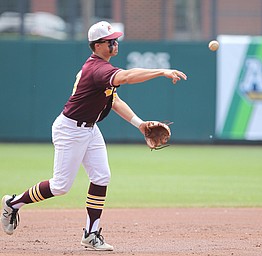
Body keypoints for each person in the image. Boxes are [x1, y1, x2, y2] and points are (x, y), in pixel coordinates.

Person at [1, 21, 187, 251]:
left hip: (89, 129)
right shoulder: (98, 69)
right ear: (98, 45)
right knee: (60, 186)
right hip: (70, 130)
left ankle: (91, 234)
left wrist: (139, 124)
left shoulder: (102, 69)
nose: (115, 43)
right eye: (111, 40)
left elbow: (115, 100)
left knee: (101, 177)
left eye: (116, 39)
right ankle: (13, 203)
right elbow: (128, 77)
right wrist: (161, 71)